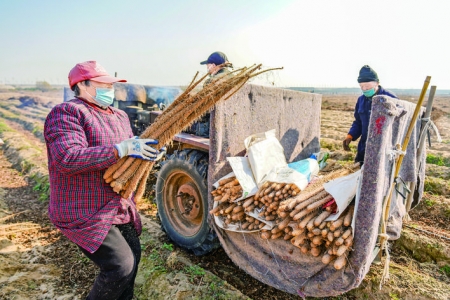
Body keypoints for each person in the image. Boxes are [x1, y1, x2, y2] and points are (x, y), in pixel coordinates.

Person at [44, 60, 162, 299]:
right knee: (120, 266)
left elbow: (129, 156)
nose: (110, 90)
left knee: (133, 259)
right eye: (103, 85)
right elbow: (67, 158)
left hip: (117, 204)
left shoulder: (119, 116)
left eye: (111, 85)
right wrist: (120, 149)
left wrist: (147, 154)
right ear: (83, 85)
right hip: (84, 208)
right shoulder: (67, 113)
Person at [343, 65, 398, 163]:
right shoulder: (361, 100)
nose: (364, 89)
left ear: (377, 83)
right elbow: (358, 122)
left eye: (367, 86)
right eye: (362, 87)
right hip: (364, 147)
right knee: (359, 172)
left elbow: (398, 124)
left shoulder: (390, 99)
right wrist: (350, 135)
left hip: (384, 149)